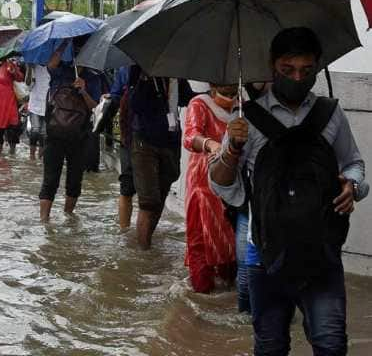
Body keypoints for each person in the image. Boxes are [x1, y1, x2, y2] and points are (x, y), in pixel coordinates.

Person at [209, 27, 368, 355]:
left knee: (331, 342)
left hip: (321, 252)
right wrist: (232, 150)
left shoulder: (330, 113)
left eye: (306, 71)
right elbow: (223, 185)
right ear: (272, 66)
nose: (297, 78)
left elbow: (354, 163)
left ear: (317, 68)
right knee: (270, 346)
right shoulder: (247, 119)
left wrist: (353, 186)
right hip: (264, 256)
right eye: (287, 70)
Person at [183, 83, 238, 293]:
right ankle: (201, 294)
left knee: (230, 241)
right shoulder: (199, 104)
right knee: (200, 241)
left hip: (232, 186)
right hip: (202, 184)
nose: (230, 98)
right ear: (213, 87)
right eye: (225, 92)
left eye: (234, 93)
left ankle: (228, 293)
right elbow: (190, 137)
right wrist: (210, 144)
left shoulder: (243, 109)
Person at [130, 67, 193, 250]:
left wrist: (212, 93)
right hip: (145, 140)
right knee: (148, 201)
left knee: (159, 198)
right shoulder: (139, 68)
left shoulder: (177, 73)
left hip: (170, 140)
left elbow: (187, 97)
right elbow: (135, 104)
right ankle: (143, 254)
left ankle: (147, 241)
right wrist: (145, 79)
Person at [39, 45, 100, 221]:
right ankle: (44, 221)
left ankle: (69, 216)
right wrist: (62, 44)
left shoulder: (93, 77)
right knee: (50, 179)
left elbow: (95, 107)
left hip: (79, 136)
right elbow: (50, 65)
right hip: (55, 134)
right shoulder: (61, 70)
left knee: (74, 181)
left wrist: (83, 90)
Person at [108, 66, 134, 231]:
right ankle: (125, 231)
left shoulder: (170, 71)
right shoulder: (124, 69)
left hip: (161, 138)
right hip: (131, 135)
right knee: (127, 186)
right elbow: (116, 96)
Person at [27, 63, 51, 160]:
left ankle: (40, 158)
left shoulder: (53, 67)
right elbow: (28, 84)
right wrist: (29, 68)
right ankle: (32, 156)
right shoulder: (34, 66)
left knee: (44, 133)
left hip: (48, 104)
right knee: (35, 130)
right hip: (35, 104)